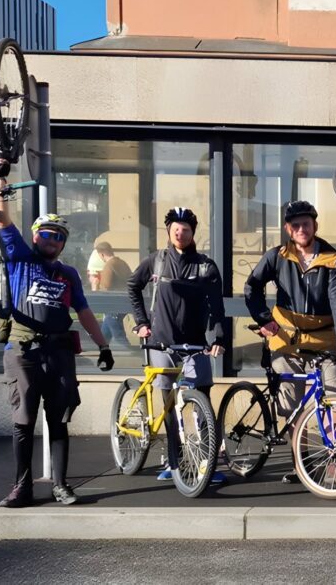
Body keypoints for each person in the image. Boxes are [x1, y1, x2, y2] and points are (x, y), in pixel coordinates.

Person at [0, 181, 115, 508]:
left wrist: (103, 346)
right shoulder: (20, 258)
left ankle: (61, 485)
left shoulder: (69, 274)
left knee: (59, 420)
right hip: (23, 353)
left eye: (59, 237)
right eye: (47, 234)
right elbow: (2, 219)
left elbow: (83, 311)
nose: (53, 240)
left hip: (59, 353)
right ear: (35, 236)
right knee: (23, 420)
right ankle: (22, 488)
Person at [244, 200, 336, 484]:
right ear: (288, 229)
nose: (301, 229)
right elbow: (252, 286)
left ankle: (334, 461)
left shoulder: (331, 259)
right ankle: (301, 464)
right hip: (285, 341)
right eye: (295, 225)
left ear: (315, 225)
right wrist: (264, 319)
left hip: (323, 339)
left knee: (335, 399)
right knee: (292, 407)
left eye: (306, 224)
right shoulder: (277, 256)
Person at [128, 207, 226, 483]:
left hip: (195, 343)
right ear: (169, 232)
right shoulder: (156, 261)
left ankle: (207, 464)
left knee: (202, 402)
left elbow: (217, 306)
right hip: (161, 342)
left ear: (193, 233)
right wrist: (141, 322)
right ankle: (175, 462)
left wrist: (218, 338)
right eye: (175, 229)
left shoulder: (205, 266)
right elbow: (132, 286)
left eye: (185, 230)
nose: (180, 233)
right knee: (169, 405)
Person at [95, 241, 132, 347]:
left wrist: (97, 285)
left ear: (102, 254)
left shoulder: (109, 266)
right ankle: (101, 348)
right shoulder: (122, 263)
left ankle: (132, 353)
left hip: (113, 304)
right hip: (124, 301)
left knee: (118, 334)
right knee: (105, 332)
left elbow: (105, 287)